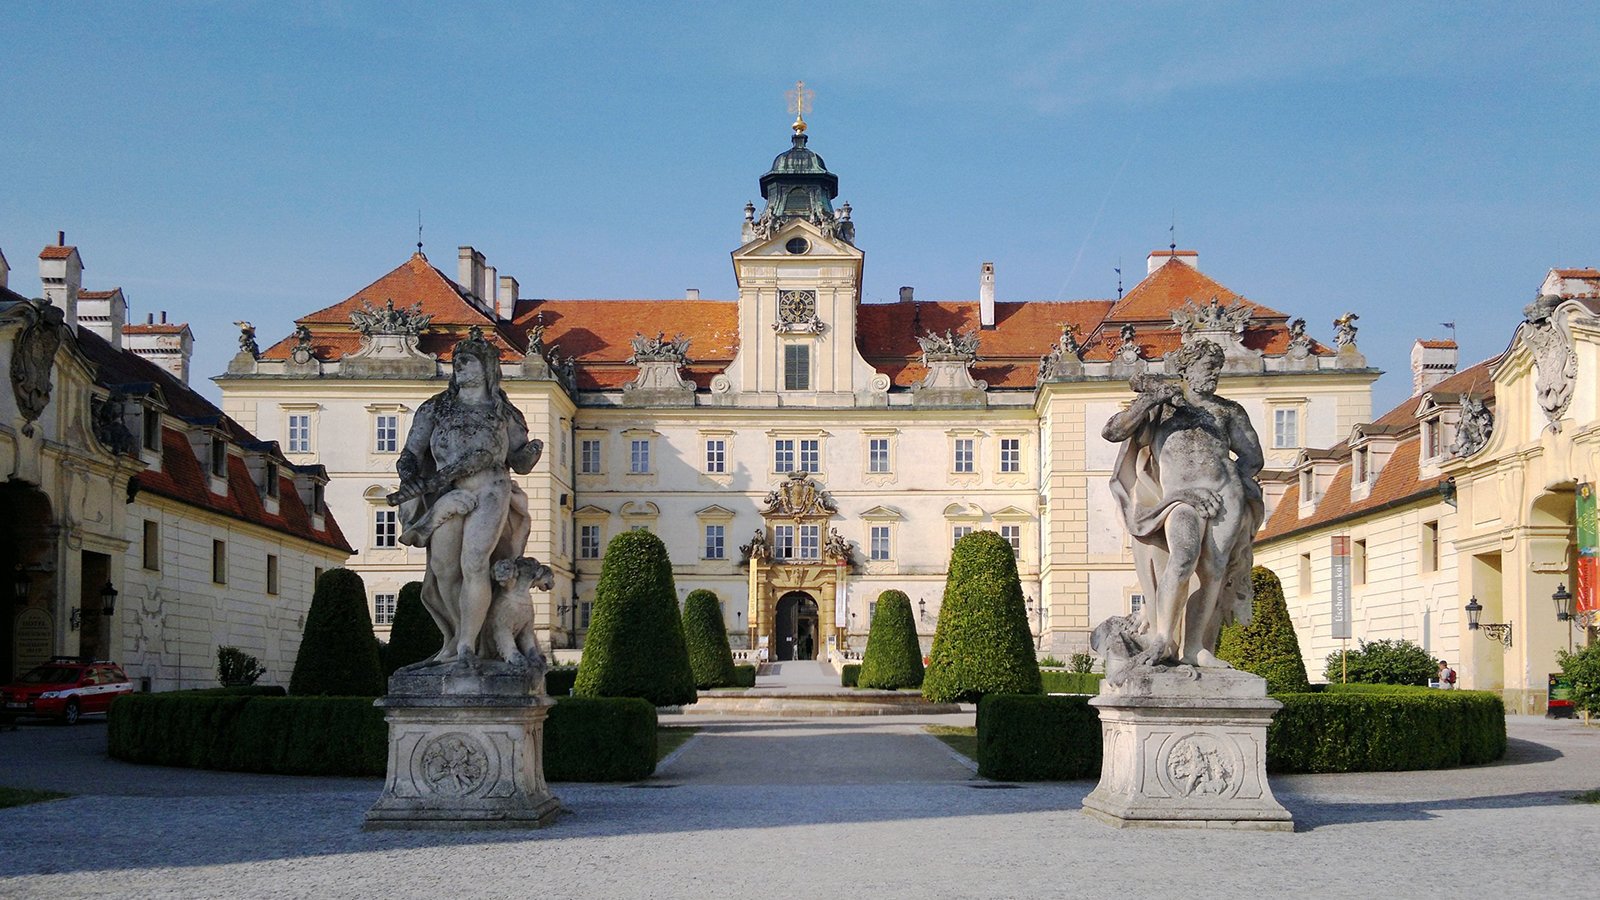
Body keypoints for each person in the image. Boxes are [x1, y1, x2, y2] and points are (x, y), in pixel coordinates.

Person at [1101, 339, 1265, 668]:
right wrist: (1150, 399)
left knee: (1214, 571)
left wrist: (1234, 484)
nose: (1214, 375)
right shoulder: (1165, 408)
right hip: (1180, 499)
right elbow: (1112, 431)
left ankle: (1195, 649)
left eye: (1217, 368)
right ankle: (1164, 638)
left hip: (1224, 496)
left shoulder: (1228, 411)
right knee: (1183, 558)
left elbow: (1252, 458)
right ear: (1187, 369)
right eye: (1208, 367)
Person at [391, 332, 542, 666]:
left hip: (491, 487)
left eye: (468, 360)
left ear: (487, 368)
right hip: (447, 492)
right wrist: (409, 475)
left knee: (474, 563)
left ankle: (467, 649)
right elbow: (410, 454)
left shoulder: (504, 411)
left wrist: (532, 452)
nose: (459, 366)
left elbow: (518, 461)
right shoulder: (435, 408)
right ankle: (458, 635)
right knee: (443, 569)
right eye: (456, 361)